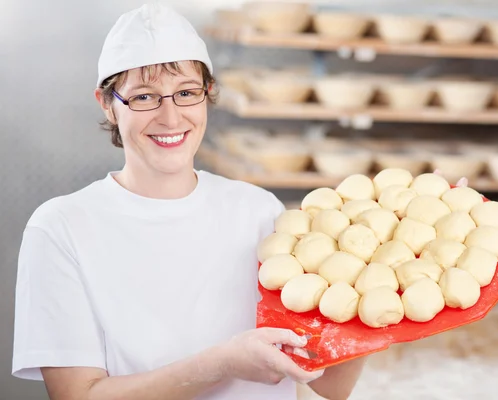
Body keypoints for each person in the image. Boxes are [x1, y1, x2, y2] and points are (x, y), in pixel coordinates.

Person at [12, 4, 366, 400]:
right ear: (106, 104)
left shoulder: (259, 213)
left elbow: (330, 385)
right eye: (144, 97)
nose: (170, 117)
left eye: (185, 93)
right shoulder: (62, 228)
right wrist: (222, 363)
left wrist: (376, 266)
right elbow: (77, 396)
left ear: (207, 93)